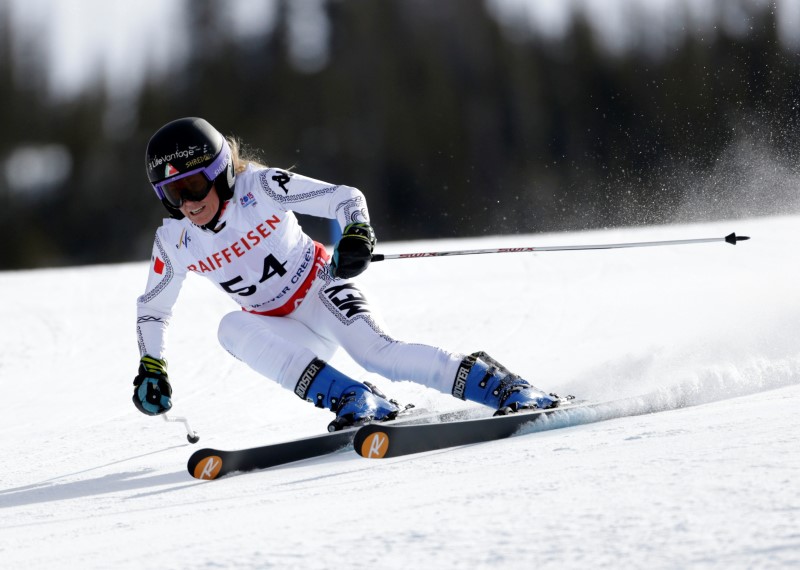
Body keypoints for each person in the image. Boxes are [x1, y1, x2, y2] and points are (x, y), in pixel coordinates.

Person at [133, 117, 560, 430]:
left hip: (320, 290)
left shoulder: (260, 187)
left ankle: (507, 388)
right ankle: (355, 398)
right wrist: (152, 366)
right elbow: (153, 309)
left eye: (194, 187)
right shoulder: (174, 240)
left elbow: (344, 198)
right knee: (229, 327)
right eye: (173, 193)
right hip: (279, 328)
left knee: (379, 354)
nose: (187, 203)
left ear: (221, 173)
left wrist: (357, 233)